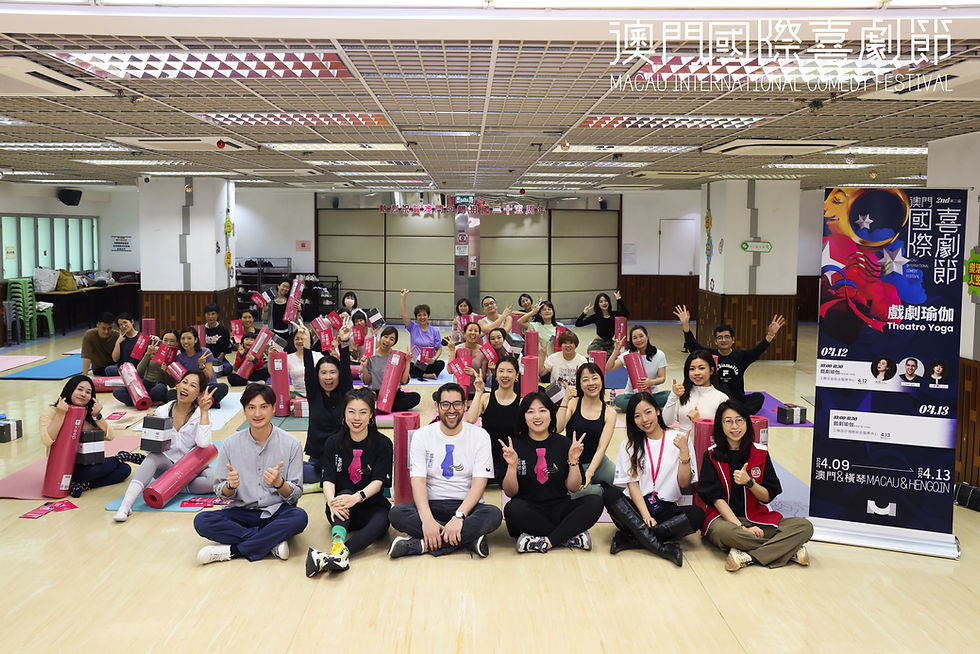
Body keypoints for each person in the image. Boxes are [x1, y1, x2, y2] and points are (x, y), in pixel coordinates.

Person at [194, 384, 308, 564]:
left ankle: (233, 550)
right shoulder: (230, 444)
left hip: (276, 512)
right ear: (245, 410)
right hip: (241, 512)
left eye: (263, 407)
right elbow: (221, 493)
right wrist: (230, 487)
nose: (257, 414)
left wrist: (279, 483)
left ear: (273, 408)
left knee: (299, 517)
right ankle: (271, 543)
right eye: (251, 408)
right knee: (202, 520)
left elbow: (295, 495)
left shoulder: (291, 444)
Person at [388, 383, 503, 558]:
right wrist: (427, 520)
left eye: (457, 404)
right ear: (437, 407)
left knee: (494, 514)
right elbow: (418, 481)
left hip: (468, 507)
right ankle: (468, 539)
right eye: (445, 404)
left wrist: (459, 517)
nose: (451, 410)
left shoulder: (480, 436)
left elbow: (480, 483)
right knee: (396, 513)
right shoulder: (422, 435)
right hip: (432, 504)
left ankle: (421, 545)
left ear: (465, 406)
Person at [697, 400, 813, 572]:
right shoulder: (712, 455)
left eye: (739, 420)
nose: (734, 426)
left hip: (757, 518)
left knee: (804, 527)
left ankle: (747, 556)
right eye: (728, 421)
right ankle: (789, 550)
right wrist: (742, 527)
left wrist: (749, 482)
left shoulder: (760, 452)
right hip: (725, 520)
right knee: (727, 534)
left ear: (746, 422)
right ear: (720, 426)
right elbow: (717, 500)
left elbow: (766, 496)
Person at [602, 392, 704, 566]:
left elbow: (684, 483)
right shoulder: (630, 444)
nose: (644, 419)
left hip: (665, 508)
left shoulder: (678, 439)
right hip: (636, 509)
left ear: (658, 411)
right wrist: (646, 516)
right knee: (609, 495)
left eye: (648, 412)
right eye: (637, 416)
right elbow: (632, 485)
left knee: (697, 515)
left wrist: (684, 454)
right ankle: (662, 548)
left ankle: (631, 539)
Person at [501, 392, 603, 553]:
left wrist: (573, 461)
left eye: (542, 410)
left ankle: (544, 541)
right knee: (512, 509)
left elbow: (574, 488)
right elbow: (510, 491)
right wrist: (512, 466)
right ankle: (568, 536)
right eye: (530, 411)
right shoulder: (515, 446)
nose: (537, 416)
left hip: (560, 508)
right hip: (529, 509)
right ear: (524, 417)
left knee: (595, 502)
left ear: (551, 414)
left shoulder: (564, 444)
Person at [306, 388, 393, 575]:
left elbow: (378, 481)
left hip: (371, 504)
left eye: (363, 412)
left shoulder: (383, 443)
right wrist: (332, 502)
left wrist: (357, 497)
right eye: (351, 412)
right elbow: (327, 479)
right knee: (342, 496)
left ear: (371, 414)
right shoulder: (332, 442)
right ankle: (338, 548)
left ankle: (339, 554)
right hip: (341, 507)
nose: (357, 418)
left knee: (385, 519)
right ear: (344, 413)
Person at [114, 372, 217, 522]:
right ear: (177, 384)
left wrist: (205, 411)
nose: (186, 387)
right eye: (184, 382)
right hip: (166, 467)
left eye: (193, 386)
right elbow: (150, 449)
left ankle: (173, 487)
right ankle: (125, 505)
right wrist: (151, 429)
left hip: (191, 469)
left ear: (199, 394)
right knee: (152, 458)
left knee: (215, 479)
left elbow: (203, 444)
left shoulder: (200, 414)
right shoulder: (162, 411)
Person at [673, 305, 786, 414]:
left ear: (733, 340)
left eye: (727, 337)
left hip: (737, 399)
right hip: (716, 397)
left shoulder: (741, 356)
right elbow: (693, 346)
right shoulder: (709, 355)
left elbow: (758, 350)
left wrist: (770, 334)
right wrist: (685, 325)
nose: (724, 340)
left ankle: (735, 412)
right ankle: (735, 412)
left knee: (759, 397)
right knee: (723, 386)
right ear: (716, 342)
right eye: (720, 337)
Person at [40, 375, 135, 497]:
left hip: (88, 462)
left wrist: (97, 416)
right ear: (70, 389)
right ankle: (120, 458)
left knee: (125, 470)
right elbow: (47, 440)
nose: (83, 394)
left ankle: (83, 485)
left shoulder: (88, 412)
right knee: (96, 470)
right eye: (80, 389)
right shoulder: (52, 411)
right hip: (65, 466)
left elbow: (110, 436)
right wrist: (60, 414)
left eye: (88, 392)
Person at [297, 317, 354, 483]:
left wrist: (344, 342)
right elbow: (308, 369)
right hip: (317, 457)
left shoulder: (346, 394)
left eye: (332, 372)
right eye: (323, 373)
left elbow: (346, 372)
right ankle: (325, 478)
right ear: (318, 376)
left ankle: (325, 479)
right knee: (292, 469)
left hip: (341, 456)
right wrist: (307, 345)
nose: (328, 377)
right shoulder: (314, 394)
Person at [555, 362, 617, 497]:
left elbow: (602, 448)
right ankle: (600, 491)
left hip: (599, 462)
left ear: (601, 380)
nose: (591, 383)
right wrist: (565, 400)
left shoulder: (609, 412)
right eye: (585, 380)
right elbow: (558, 429)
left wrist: (590, 473)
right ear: (580, 385)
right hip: (573, 463)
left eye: (594, 378)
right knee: (576, 493)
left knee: (626, 484)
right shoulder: (573, 403)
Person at [466, 356, 521, 485]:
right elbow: (470, 419)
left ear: (516, 375)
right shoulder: (486, 398)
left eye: (509, 371)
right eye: (501, 371)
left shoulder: (522, 403)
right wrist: (479, 391)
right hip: (488, 454)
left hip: (512, 456)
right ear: (496, 374)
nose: (505, 375)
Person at [662, 350, 729, 437]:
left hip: (706, 448)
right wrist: (673, 395)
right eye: (692, 369)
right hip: (682, 447)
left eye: (701, 368)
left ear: (711, 370)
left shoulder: (721, 398)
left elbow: (724, 431)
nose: (696, 373)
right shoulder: (682, 394)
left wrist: (699, 422)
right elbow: (666, 421)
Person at [359, 325, 421, 412]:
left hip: (393, 393)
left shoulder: (397, 356)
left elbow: (403, 381)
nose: (387, 341)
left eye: (391, 339)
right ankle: (383, 405)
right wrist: (364, 367)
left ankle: (382, 406)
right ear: (381, 337)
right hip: (375, 393)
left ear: (394, 343)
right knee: (361, 397)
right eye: (386, 337)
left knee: (416, 397)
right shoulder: (370, 355)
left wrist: (407, 362)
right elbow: (366, 382)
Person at [606, 325, 668, 409]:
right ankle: (647, 404)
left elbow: (662, 378)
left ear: (647, 337)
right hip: (632, 395)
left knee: (669, 395)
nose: (638, 340)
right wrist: (616, 351)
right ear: (631, 340)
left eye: (641, 336)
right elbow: (609, 368)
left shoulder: (659, 354)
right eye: (634, 338)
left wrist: (650, 382)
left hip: (651, 393)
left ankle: (638, 405)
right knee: (618, 400)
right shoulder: (629, 354)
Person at [113, 330, 179, 406]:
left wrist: (166, 371)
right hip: (145, 384)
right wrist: (147, 354)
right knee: (117, 392)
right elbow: (139, 371)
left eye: (172, 341)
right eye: (165, 340)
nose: (168, 343)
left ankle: (140, 401)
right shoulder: (153, 350)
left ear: (177, 343)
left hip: (157, 386)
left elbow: (171, 385)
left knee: (161, 389)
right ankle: (150, 402)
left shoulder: (176, 358)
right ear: (162, 341)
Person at [171, 327, 229, 408]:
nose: (185, 341)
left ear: (196, 340)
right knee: (170, 394)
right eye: (183, 338)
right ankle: (207, 402)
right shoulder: (179, 357)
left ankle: (198, 402)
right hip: (191, 390)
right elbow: (179, 380)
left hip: (207, 388)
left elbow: (208, 377)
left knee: (223, 387)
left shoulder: (205, 352)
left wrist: (202, 366)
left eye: (189, 338)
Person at [399, 289, 445, 380]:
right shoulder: (413, 327)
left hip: (429, 363)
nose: (422, 317)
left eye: (424, 315)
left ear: (428, 316)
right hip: (415, 363)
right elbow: (403, 314)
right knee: (403, 363)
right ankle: (426, 375)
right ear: (416, 317)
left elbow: (439, 348)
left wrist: (434, 359)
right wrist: (403, 297)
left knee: (441, 364)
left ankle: (419, 374)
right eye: (419, 315)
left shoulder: (434, 331)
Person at [446, 322, 488, 389]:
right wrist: (452, 351)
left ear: (480, 335)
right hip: (458, 389)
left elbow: (483, 376)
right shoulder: (457, 349)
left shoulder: (483, 352)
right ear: (464, 334)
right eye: (470, 330)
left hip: (476, 389)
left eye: (476, 331)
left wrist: (474, 374)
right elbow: (450, 371)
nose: (473, 333)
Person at [80, 312, 119, 376]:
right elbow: (87, 358)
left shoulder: (117, 335)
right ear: (97, 325)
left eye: (110, 328)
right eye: (103, 328)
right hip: (99, 369)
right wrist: (84, 376)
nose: (106, 332)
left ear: (113, 326)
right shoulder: (90, 335)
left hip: (114, 367)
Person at [287, 329, 322, 397]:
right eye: (297, 339)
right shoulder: (288, 358)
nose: (300, 341)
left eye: (303, 339)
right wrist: (271, 357)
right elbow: (273, 373)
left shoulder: (318, 355)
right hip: (298, 396)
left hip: (318, 395)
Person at [203, 303, 234, 376]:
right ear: (205, 315)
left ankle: (211, 370)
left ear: (217, 315)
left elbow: (225, 349)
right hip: (204, 360)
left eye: (213, 314)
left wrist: (217, 360)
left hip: (218, 359)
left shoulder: (224, 331)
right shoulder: (201, 330)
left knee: (228, 368)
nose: (210, 317)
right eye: (208, 314)